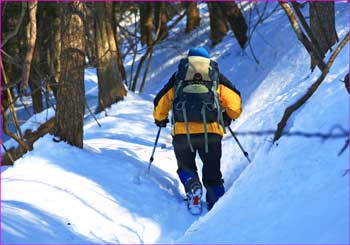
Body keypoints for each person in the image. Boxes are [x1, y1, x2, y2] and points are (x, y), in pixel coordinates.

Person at [153, 47, 242, 210]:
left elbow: (161, 102)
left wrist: (160, 119)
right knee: (212, 170)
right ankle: (217, 206)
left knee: (185, 166)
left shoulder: (179, 77)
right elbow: (235, 104)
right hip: (211, 132)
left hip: (182, 133)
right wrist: (227, 117)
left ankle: (192, 186)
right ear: (207, 60)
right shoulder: (215, 77)